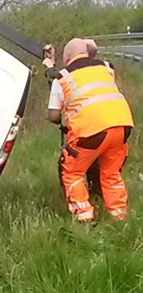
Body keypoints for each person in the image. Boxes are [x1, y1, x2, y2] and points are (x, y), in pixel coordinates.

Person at [43, 38, 134, 223]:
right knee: (111, 173)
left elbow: (53, 117)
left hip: (91, 131)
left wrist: (50, 68)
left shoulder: (61, 78)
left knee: (71, 172)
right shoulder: (107, 68)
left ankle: (83, 218)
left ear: (66, 57)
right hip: (122, 126)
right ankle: (119, 217)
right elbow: (90, 52)